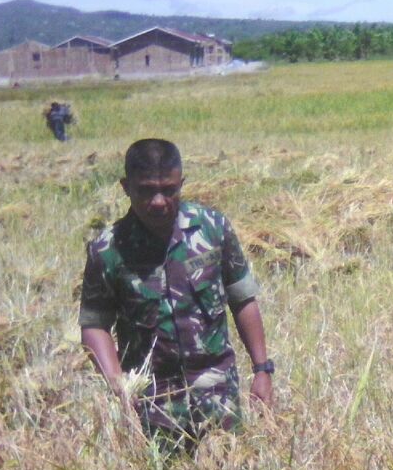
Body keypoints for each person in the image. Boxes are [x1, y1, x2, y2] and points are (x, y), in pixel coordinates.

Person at [79, 138, 273, 449]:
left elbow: (243, 299)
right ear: (126, 187)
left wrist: (262, 369)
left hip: (217, 393)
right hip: (152, 402)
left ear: (181, 183)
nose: (158, 201)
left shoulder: (213, 229)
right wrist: (119, 387)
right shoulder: (108, 249)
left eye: (168, 190)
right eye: (146, 191)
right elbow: (94, 325)